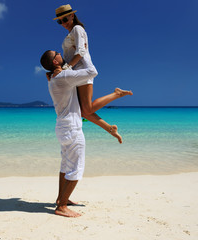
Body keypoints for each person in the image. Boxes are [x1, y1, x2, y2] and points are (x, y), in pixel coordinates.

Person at [40, 50, 131, 217]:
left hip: (62, 127)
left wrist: (65, 67)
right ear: (55, 62)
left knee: (65, 166)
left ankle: (62, 199)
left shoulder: (53, 79)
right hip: (72, 128)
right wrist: (82, 53)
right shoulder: (62, 77)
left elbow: (60, 74)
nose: (60, 53)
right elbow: (92, 72)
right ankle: (61, 208)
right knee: (76, 168)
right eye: (57, 54)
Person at [53, 4, 133, 141]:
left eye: (65, 19)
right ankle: (110, 129)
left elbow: (80, 51)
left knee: (87, 109)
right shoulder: (70, 33)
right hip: (74, 73)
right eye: (60, 21)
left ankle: (117, 94)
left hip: (82, 70)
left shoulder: (77, 29)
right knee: (83, 111)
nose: (63, 23)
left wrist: (67, 68)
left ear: (72, 16)